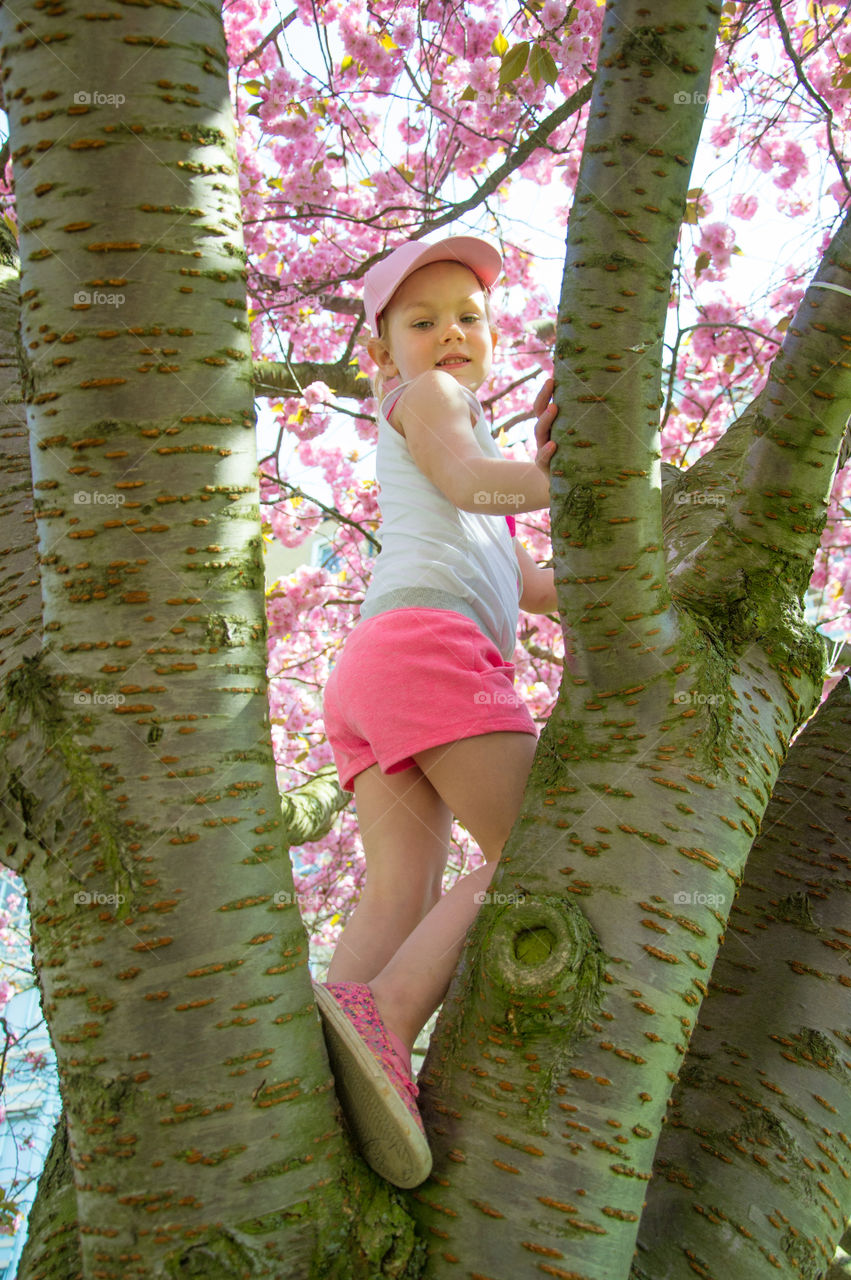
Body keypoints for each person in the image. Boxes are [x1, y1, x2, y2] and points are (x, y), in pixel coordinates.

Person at [314, 235, 558, 1188]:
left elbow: (535, 582)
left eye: (469, 317)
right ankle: (393, 1020)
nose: (451, 334)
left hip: (377, 666)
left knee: (398, 888)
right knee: (538, 844)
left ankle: (324, 1062)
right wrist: (576, 480)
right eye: (422, 322)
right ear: (383, 355)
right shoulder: (430, 403)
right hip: (428, 651)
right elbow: (470, 481)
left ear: (493, 337)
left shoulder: (469, 438)